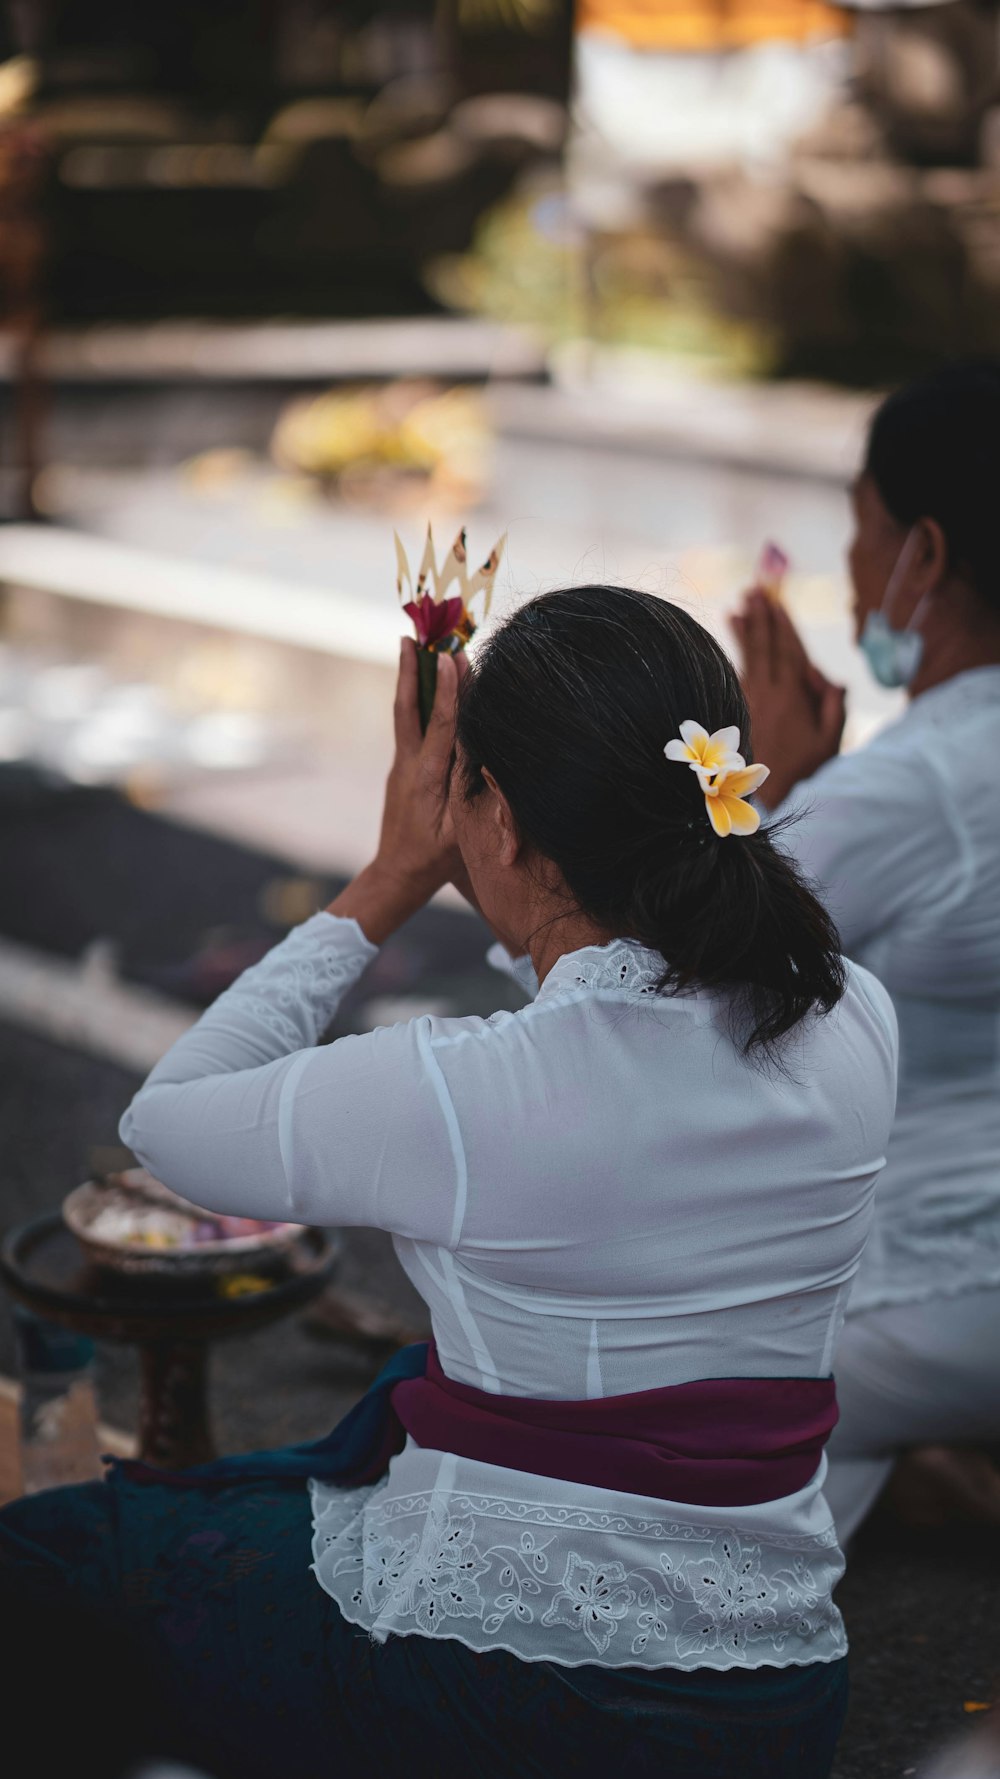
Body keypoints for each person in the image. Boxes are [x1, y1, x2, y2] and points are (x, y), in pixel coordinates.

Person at [0, 587, 898, 1779]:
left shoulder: (475, 1094)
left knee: (53, 1556)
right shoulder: (849, 1015)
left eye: (465, 783)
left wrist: (387, 875)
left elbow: (166, 1124)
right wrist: (502, 851)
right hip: (777, 1697)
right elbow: (616, 1031)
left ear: (505, 826)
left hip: (519, 1700)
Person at [733, 359, 1000, 1547]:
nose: (849, 567)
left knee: (641, 1344)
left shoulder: (913, 784)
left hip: (956, 1285)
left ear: (924, 558)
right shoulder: (909, 779)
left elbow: (659, 983)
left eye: (860, 527)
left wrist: (768, 787)